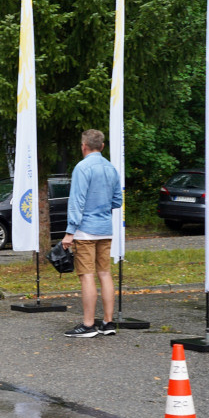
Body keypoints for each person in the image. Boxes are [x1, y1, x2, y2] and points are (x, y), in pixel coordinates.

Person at [61, 129, 123, 338]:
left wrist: (70, 232)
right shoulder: (111, 168)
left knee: (86, 275)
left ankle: (88, 325)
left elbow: (77, 201)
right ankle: (108, 322)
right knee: (104, 273)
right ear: (102, 146)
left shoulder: (82, 168)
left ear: (84, 146)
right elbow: (117, 200)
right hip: (105, 229)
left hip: (85, 230)